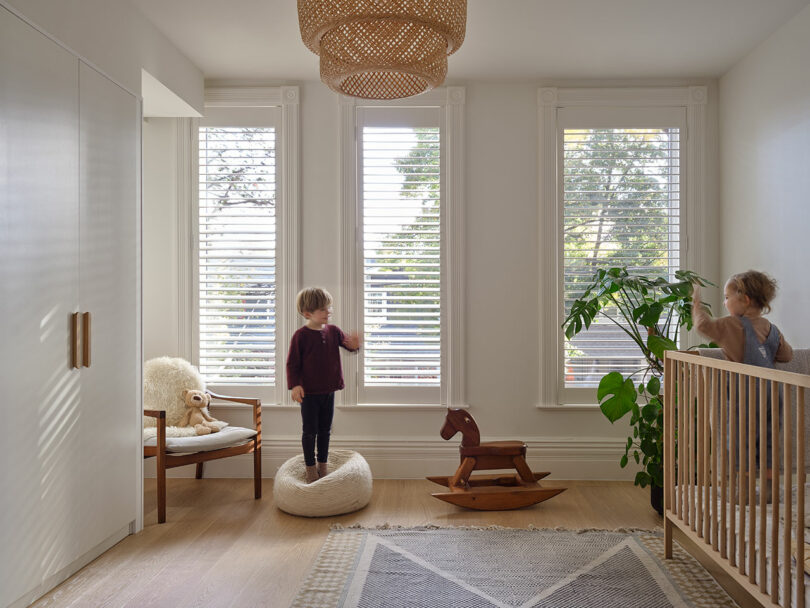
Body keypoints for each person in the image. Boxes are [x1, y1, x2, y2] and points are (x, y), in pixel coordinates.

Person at [692, 270, 793, 497]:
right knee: (768, 441)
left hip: (746, 395)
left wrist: (697, 307)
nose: (725, 302)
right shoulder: (771, 328)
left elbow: (703, 328)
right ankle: (769, 490)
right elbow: (786, 356)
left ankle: (744, 491)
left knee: (741, 441)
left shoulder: (732, 324)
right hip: (772, 395)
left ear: (744, 300)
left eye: (727, 297)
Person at [286, 287, 360, 483]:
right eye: (323, 310)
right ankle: (310, 468)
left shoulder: (334, 331)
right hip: (309, 394)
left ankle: (323, 465)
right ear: (307, 313)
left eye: (329, 308)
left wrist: (355, 344)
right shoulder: (300, 336)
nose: (329, 312)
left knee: (325, 430)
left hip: (329, 391)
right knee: (310, 431)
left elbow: (349, 345)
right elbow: (292, 363)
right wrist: (295, 385)